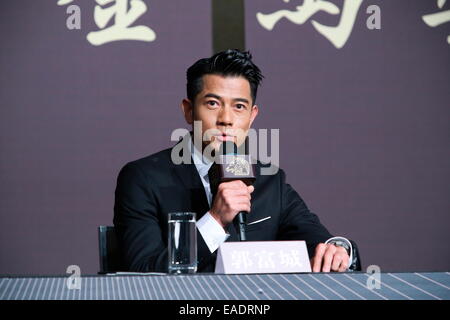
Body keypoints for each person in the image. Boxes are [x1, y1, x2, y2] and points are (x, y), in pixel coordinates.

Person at [113, 49, 360, 273]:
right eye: (212, 103)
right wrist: (216, 220)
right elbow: (141, 269)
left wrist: (337, 247)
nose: (226, 119)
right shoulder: (143, 178)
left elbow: (319, 239)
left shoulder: (270, 179)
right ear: (189, 110)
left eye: (239, 106)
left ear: (252, 116)